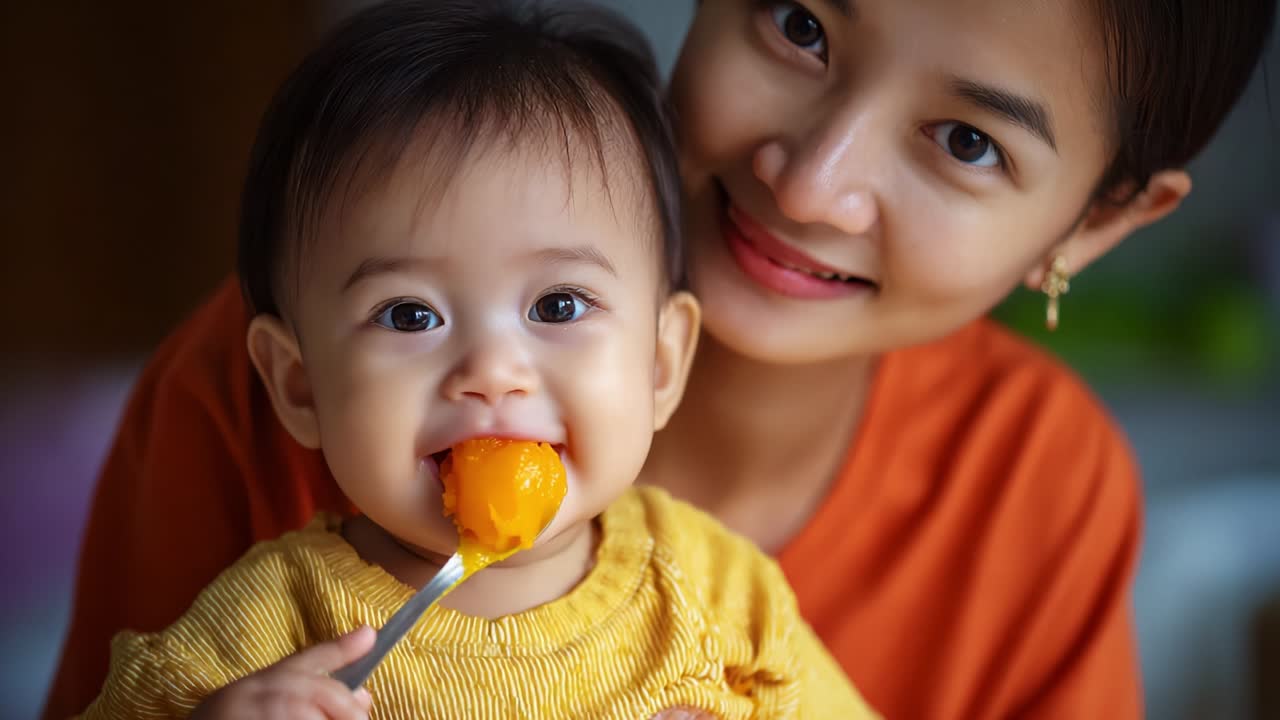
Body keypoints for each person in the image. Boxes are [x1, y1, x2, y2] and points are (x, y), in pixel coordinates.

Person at [45, 0, 1276, 718]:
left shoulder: (1034, 488)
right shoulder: (276, 375)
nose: (813, 178)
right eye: (798, 23)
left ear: (1097, 222)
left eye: (963, 140)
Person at [74, 2, 875, 718]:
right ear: (300, 384)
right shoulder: (270, 626)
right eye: (410, 314)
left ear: (661, 365)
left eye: (558, 306)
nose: (493, 370)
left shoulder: (715, 597)